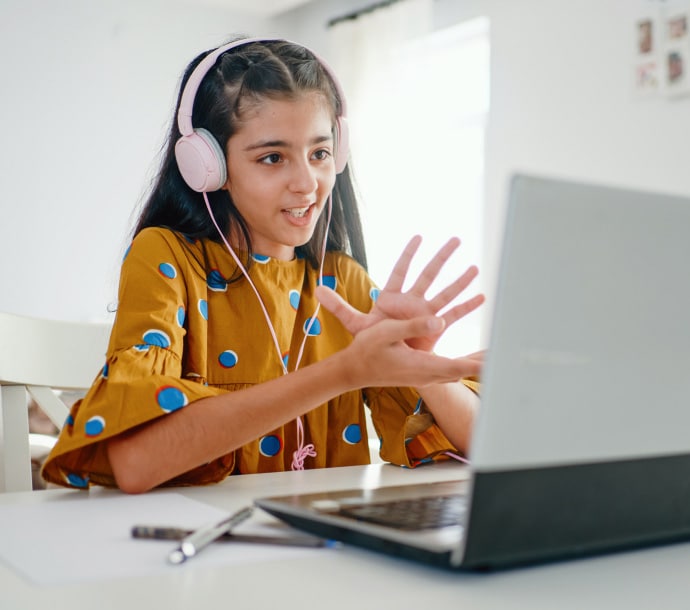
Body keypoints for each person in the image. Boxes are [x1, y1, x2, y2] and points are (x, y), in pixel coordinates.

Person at [42, 37, 484, 494]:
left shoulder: (342, 281)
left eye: (320, 153)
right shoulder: (167, 257)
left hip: (321, 548)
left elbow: (482, 448)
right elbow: (135, 463)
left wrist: (424, 366)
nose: (307, 183)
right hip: (198, 549)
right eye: (272, 157)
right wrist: (345, 372)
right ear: (208, 166)